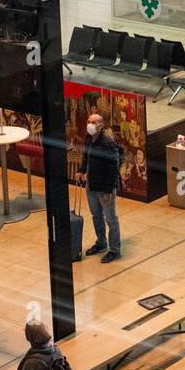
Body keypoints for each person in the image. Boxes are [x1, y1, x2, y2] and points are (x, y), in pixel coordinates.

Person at [75, 111, 122, 262]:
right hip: (91, 185)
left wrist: (109, 189)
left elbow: (114, 167)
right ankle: (101, 242)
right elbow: (86, 156)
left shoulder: (108, 142)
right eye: (89, 121)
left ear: (101, 126)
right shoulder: (89, 138)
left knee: (111, 219)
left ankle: (115, 250)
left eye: (94, 122)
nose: (90, 124)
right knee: (96, 216)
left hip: (105, 188)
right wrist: (82, 170)